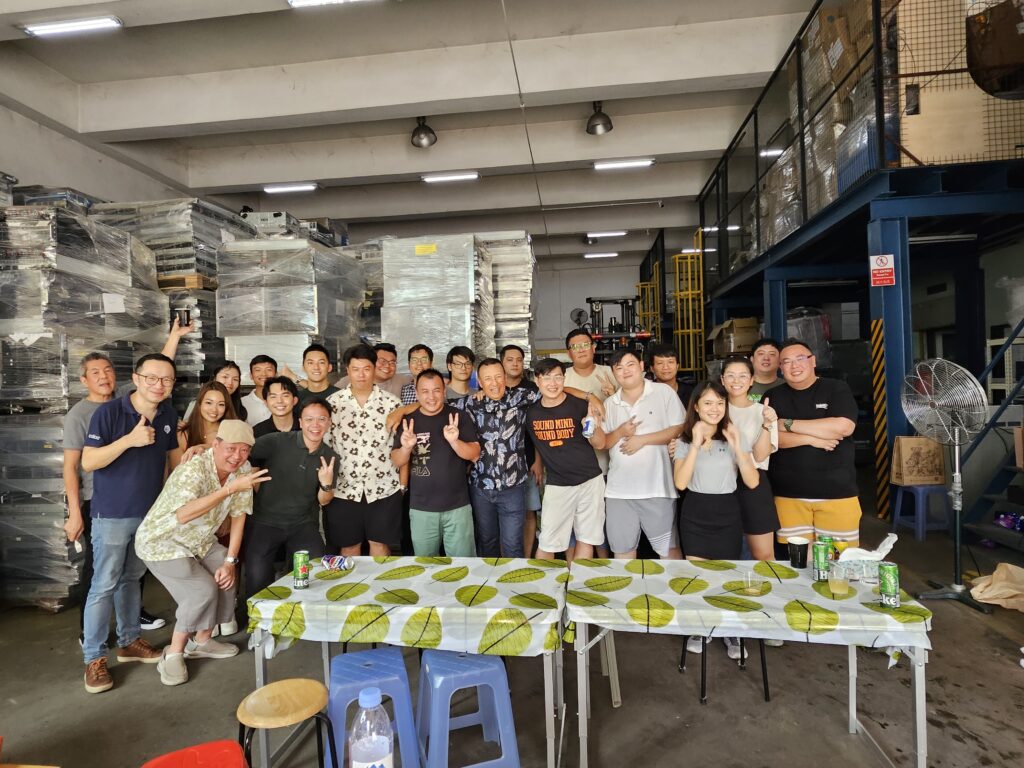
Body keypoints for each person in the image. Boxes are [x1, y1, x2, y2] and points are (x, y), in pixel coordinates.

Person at [135, 420, 270, 686]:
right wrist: (228, 490)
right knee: (202, 590)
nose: (237, 456)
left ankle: (202, 641)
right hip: (162, 540)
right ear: (216, 445)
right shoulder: (194, 468)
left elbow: (239, 516)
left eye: (244, 450)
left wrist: (230, 561)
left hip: (199, 540)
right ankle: (174, 652)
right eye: (231, 448)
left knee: (225, 574)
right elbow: (184, 514)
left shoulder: (242, 470)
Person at [80, 353, 183, 693]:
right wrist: (129, 440)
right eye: (152, 378)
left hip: (149, 516)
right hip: (112, 514)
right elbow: (89, 462)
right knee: (103, 585)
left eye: (166, 380)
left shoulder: (168, 414)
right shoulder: (109, 413)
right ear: (136, 379)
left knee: (132, 579)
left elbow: (172, 462)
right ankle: (94, 658)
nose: (159, 385)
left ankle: (129, 641)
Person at [672, 381, 760, 661]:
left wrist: (737, 447)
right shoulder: (685, 440)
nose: (714, 409)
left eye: (720, 403)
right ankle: (700, 627)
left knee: (725, 575)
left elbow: (752, 481)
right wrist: (696, 445)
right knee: (699, 576)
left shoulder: (734, 434)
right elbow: (681, 483)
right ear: (696, 407)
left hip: (727, 510)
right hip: (696, 511)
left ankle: (729, 631)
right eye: (708, 403)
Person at [768, 338, 860, 548]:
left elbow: (844, 427)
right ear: (780, 368)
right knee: (797, 559)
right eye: (787, 361)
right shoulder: (773, 396)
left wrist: (787, 423)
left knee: (840, 559)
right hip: (788, 495)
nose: (794, 365)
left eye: (800, 358)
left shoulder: (836, 388)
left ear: (813, 361)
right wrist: (813, 438)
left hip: (837, 493)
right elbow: (771, 439)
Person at [594, 349, 684, 560]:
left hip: (657, 488)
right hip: (619, 493)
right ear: (614, 374)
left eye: (630, 364)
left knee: (668, 551)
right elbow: (603, 443)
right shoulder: (610, 404)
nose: (625, 371)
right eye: (619, 368)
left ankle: (674, 583)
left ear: (642, 366)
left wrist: (642, 440)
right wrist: (620, 431)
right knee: (622, 551)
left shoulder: (662, 392)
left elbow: (680, 427)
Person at [245, 399, 338, 596]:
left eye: (322, 419)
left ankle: (300, 610)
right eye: (309, 419)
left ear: (329, 423)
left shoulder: (330, 457)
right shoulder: (277, 441)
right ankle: (257, 613)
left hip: (302, 524)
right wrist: (202, 446)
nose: (315, 425)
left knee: (312, 574)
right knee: (257, 577)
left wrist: (326, 483)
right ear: (300, 422)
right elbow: (242, 450)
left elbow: (324, 500)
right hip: (265, 521)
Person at [324, 344, 404, 557]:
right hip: (344, 488)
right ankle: (350, 581)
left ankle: (382, 581)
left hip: (383, 488)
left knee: (380, 546)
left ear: (374, 369)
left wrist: (402, 486)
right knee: (349, 547)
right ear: (347, 370)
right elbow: (326, 445)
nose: (361, 375)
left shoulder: (392, 404)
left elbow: (402, 446)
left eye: (366, 369)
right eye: (355, 369)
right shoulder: (332, 404)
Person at [391, 369, 481, 557]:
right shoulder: (408, 422)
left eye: (436, 390)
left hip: (458, 507)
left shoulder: (458, 417)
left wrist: (454, 441)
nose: (431, 397)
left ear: (444, 391)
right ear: (416, 394)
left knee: (463, 563)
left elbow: (474, 454)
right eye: (425, 391)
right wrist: (406, 448)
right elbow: (397, 461)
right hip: (421, 509)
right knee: (426, 564)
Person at [526, 358, 606, 560]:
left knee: (586, 539)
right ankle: (543, 581)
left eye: (558, 377)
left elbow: (600, 444)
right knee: (548, 542)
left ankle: (579, 579)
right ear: (537, 380)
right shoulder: (531, 413)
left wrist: (592, 426)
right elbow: (535, 443)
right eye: (547, 378)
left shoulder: (580, 406)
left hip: (590, 481)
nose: (553, 383)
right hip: (558, 484)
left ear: (564, 379)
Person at [720, 356, 780, 561]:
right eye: (730, 375)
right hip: (720, 483)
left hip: (754, 483)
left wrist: (766, 424)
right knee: (726, 553)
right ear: (722, 380)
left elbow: (761, 455)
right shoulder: (714, 409)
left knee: (763, 554)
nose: (736, 381)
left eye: (743, 376)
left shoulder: (764, 411)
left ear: (752, 380)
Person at [501, 345, 543, 557]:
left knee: (528, 511)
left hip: (527, 461)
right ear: (502, 362)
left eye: (519, 359)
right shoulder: (493, 388)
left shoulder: (533, 390)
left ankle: (526, 557)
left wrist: (538, 461)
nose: (515, 363)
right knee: (502, 514)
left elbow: (538, 430)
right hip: (499, 466)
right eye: (510, 359)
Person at [175, 382, 235, 462]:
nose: (214, 409)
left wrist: (204, 447)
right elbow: (176, 469)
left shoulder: (231, 433)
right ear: (199, 404)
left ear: (226, 407)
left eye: (221, 404)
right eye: (209, 403)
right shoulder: (183, 435)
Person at [337, 342, 411, 399]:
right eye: (382, 361)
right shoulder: (348, 381)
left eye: (392, 362)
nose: (387, 366)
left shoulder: (401, 380)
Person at [183, 361, 247, 423]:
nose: (230, 383)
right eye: (225, 377)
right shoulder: (196, 404)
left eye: (235, 379)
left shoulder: (240, 408)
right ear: (214, 378)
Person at [646, 342, 695, 407]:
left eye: (670, 362)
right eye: (660, 363)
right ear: (652, 368)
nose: (666, 367)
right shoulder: (646, 393)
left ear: (677, 366)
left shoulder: (691, 393)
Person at [241, 355, 277, 427]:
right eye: (258, 370)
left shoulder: (283, 400)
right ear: (251, 375)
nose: (263, 374)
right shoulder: (242, 403)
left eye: (268, 369)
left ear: (276, 374)